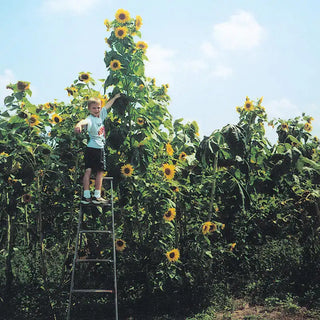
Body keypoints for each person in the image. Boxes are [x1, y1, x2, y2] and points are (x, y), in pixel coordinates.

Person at [75, 93, 121, 204]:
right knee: (98, 172)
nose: (97, 110)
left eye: (98, 107)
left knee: (89, 171)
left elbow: (107, 106)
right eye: (94, 108)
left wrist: (114, 98)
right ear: (89, 109)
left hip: (91, 148)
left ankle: (87, 196)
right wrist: (78, 125)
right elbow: (84, 121)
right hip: (97, 149)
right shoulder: (90, 119)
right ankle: (95, 196)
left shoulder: (101, 115)